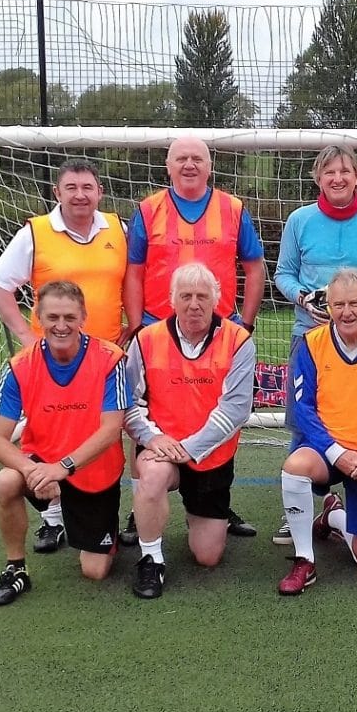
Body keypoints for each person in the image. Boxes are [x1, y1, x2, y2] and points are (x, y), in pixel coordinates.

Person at [0, 158, 132, 555]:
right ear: (58, 193)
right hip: (53, 359)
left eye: (88, 187)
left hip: (107, 358)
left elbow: (137, 279)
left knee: (120, 431)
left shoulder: (118, 229)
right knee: (51, 432)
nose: (80, 195)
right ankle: (52, 515)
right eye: (72, 188)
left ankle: (125, 513)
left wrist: (133, 325)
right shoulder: (36, 232)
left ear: (100, 192)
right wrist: (24, 334)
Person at [123, 136, 265, 542]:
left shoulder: (233, 209)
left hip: (215, 330)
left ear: (209, 166)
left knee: (213, 414)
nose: (189, 164)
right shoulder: (148, 210)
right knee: (147, 419)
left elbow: (254, 267)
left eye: (197, 158)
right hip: (158, 330)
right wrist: (137, 326)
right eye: (181, 158)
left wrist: (247, 321)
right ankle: (142, 506)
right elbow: (134, 270)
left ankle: (212, 500)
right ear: (168, 166)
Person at [272, 144, 357, 544]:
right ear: (317, 178)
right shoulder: (299, 220)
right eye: (329, 172)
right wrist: (304, 298)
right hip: (309, 334)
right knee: (302, 423)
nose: (338, 179)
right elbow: (284, 273)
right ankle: (300, 512)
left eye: (345, 171)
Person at [0, 281, 129, 606]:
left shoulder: (110, 359)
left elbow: (111, 430)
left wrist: (62, 468)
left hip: (94, 473)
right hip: (44, 466)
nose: (60, 326)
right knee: (7, 481)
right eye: (52, 317)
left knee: (95, 571)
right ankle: (16, 568)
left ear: (83, 317)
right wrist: (32, 470)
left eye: (68, 317)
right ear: (38, 317)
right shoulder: (20, 366)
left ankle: (99, 531)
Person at [123, 263, 256, 599]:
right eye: (185, 296)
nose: (194, 304)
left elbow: (236, 409)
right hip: (161, 449)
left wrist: (189, 447)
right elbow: (129, 404)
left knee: (208, 556)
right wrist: (153, 438)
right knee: (151, 476)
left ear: (217, 299)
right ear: (172, 300)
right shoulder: (146, 339)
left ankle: (204, 517)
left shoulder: (239, 339)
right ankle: (151, 558)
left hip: (209, 456)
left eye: (202, 296)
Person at [275, 268, 357, 596]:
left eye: (354, 303)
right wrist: (336, 452)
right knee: (295, 466)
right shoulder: (311, 343)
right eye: (338, 305)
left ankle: (333, 517)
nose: (346, 312)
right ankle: (304, 559)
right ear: (328, 307)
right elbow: (303, 409)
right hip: (326, 452)